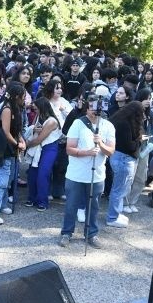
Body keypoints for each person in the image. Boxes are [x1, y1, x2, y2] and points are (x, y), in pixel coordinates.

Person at [59, 90, 115, 247]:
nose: (93, 110)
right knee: (71, 205)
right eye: (90, 107)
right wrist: (87, 153)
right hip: (76, 174)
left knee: (94, 206)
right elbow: (69, 149)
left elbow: (110, 151)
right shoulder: (78, 123)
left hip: (97, 174)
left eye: (95, 107)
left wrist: (101, 143)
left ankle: (91, 234)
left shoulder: (108, 126)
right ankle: (66, 232)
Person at [0, 82, 26, 225]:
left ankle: (2, 205)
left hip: (10, 145)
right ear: (16, 96)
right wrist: (17, 144)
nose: (25, 98)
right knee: (2, 179)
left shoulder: (16, 107)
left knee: (7, 178)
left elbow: (16, 129)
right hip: (3, 146)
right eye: (22, 96)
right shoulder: (7, 109)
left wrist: (21, 140)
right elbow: (7, 132)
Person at [105, 100, 145, 227]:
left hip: (118, 157)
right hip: (124, 159)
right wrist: (140, 140)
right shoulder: (125, 125)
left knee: (121, 188)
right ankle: (112, 217)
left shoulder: (119, 120)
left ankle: (116, 212)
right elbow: (130, 146)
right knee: (119, 189)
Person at [24, 96, 61, 211]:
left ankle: (42, 201)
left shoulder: (51, 121)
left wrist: (25, 145)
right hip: (38, 148)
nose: (35, 111)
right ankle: (32, 198)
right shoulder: (39, 117)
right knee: (32, 173)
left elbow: (39, 139)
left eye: (36, 108)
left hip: (49, 148)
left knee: (43, 174)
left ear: (42, 107)